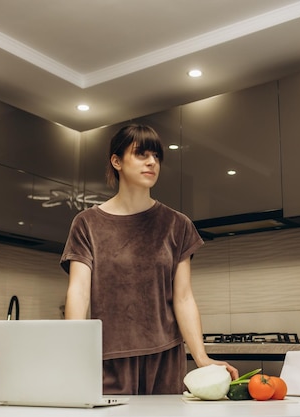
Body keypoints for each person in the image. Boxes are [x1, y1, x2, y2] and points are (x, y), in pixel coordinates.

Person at [60, 124, 238, 395]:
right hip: (107, 357)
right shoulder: (87, 223)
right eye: (141, 154)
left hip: (165, 358)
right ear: (116, 161)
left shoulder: (177, 224)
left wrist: (202, 359)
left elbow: (184, 297)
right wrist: (75, 353)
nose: (152, 162)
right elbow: (79, 291)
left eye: (156, 156)